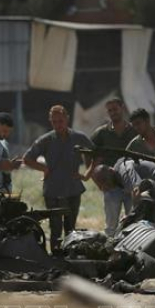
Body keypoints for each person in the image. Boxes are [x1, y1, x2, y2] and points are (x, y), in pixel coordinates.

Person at [24, 105, 94, 253]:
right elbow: (27, 159)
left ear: (67, 119)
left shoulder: (78, 137)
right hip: (53, 190)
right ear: (51, 122)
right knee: (55, 228)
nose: (58, 125)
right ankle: (55, 257)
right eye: (54, 121)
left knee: (71, 228)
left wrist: (87, 174)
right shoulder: (46, 140)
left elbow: (96, 153)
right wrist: (44, 168)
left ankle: (69, 257)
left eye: (61, 121)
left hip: (73, 188)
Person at [90, 98, 136, 236]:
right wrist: (95, 177)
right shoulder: (101, 133)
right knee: (111, 226)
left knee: (133, 223)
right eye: (109, 110)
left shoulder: (134, 131)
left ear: (122, 108)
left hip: (131, 185)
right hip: (111, 186)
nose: (112, 113)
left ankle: (132, 250)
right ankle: (110, 251)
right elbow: (88, 153)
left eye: (115, 109)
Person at [91, 158, 155, 230]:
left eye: (104, 181)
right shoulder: (117, 178)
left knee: (152, 230)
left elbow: (138, 191)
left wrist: (130, 216)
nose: (103, 188)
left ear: (111, 171)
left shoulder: (125, 170)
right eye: (99, 185)